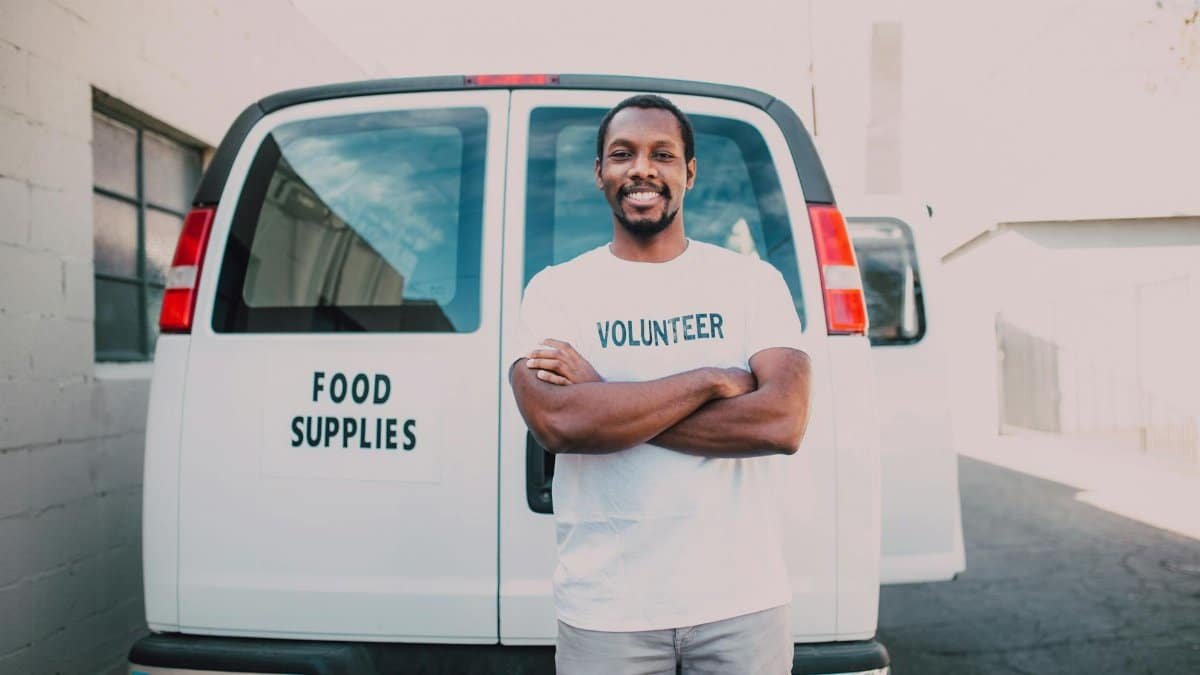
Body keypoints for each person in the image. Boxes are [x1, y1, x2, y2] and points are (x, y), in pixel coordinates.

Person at [508, 94, 812, 674]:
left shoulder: (751, 282)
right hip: (607, 613)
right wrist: (711, 379)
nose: (641, 168)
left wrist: (604, 394)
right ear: (600, 173)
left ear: (688, 173)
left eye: (662, 154)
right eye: (622, 154)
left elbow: (782, 421)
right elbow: (560, 422)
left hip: (741, 605)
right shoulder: (556, 291)